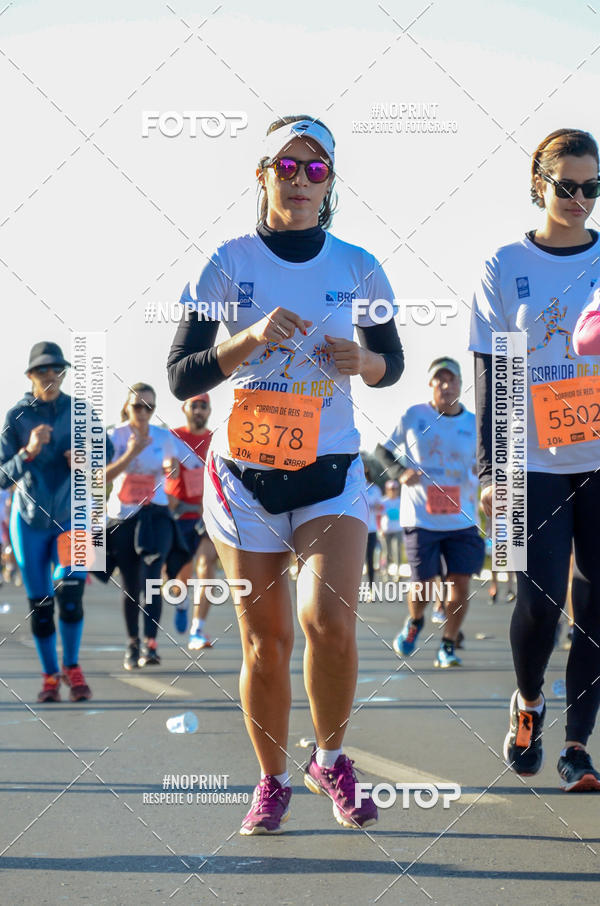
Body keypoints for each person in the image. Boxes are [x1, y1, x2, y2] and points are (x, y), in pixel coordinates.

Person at [168, 115, 404, 834]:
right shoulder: (226, 262)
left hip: (331, 471)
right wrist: (245, 339)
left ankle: (330, 759)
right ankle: (272, 780)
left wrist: (364, 362)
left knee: (328, 623)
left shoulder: (358, 265)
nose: (301, 181)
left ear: (330, 183)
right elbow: (181, 376)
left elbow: (391, 362)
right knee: (265, 644)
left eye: (316, 169)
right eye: (288, 167)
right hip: (246, 479)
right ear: (263, 174)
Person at [470, 128, 600, 790]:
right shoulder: (504, 265)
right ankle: (528, 702)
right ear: (538, 183)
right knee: (540, 604)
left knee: (598, 607)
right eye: (566, 185)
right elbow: (493, 372)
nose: (580, 199)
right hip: (532, 463)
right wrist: (492, 472)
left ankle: (577, 746)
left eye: (592, 187)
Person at [0, 341, 110, 702]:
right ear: (30, 375)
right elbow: (2, 476)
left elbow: (107, 452)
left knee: (72, 596)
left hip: (72, 518)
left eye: (57, 369)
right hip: (29, 522)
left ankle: (72, 668)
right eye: (43, 369)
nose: (51, 375)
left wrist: (86, 457)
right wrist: (27, 452)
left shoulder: (81, 411)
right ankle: (50, 677)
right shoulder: (17, 416)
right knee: (42, 608)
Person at [377, 357, 484, 668]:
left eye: (452, 380)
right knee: (423, 586)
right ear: (431, 384)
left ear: (460, 384)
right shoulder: (414, 416)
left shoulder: (474, 424)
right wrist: (399, 472)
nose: (446, 386)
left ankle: (448, 643)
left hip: (461, 517)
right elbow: (383, 451)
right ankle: (415, 621)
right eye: (440, 380)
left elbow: (489, 460)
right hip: (421, 517)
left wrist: (484, 476)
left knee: (459, 583)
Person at [105, 383, 190, 670]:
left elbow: (173, 468)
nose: (143, 412)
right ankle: (133, 643)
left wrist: (171, 468)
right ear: (127, 407)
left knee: (153, 581)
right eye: (138, 406)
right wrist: (130, 454)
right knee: (131, 584)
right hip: (124, 517)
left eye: (149, 407)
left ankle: (151, 643)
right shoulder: (115, 436)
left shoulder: (163, 436)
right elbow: (102, 477)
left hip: (156, 515)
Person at [164, 393, 218, 649]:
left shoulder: (216, 440)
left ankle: (198, 629)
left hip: (205, 514)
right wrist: (167, 466)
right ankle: (181, 602)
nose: (198, 410)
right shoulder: (171, 438)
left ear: (209, 411)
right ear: (184, 409)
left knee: (206, 567)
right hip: (177, 514)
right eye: (194, 405)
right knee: (177, 579)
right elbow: (156, 463)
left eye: (203, 406)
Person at [363, 461, 384, 586]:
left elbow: (380, 507)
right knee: (356, 560)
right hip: (357, 529)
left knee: (370, 559)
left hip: (371, 529)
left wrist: (372, 506)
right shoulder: (353, 487)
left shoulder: (375, 489)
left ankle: (371, 587)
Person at [380, 479, 402, 577]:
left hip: (398, 529)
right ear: (387, 489)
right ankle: (386, 570)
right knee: (386, 551)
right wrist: (380, 529)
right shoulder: (383, 501)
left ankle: (397, 571)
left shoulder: (401, 501)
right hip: (386, 530)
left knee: (397, 550)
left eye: (394, 489)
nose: (393, 491)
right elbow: (378, 516)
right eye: (391, 489)